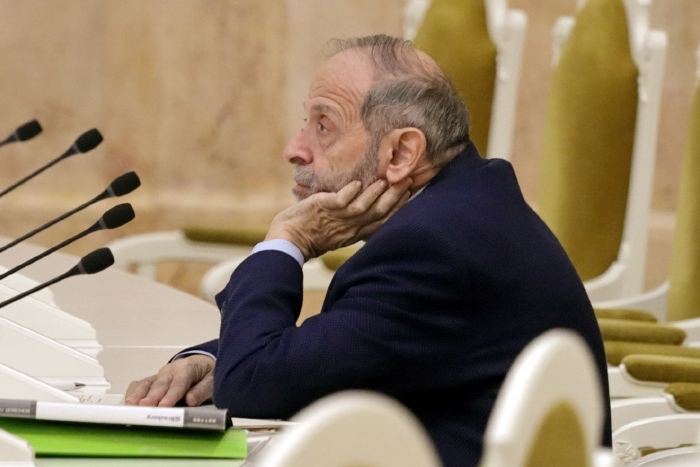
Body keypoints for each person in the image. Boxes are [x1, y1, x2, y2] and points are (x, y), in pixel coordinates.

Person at [126, 34, 611, 466]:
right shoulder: (464, 206)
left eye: (323, 126)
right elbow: (336, 350)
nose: (294, 148)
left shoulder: (432, 249)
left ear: (400, 153)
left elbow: (254, 388)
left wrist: (287, 241)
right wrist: (214, 360)